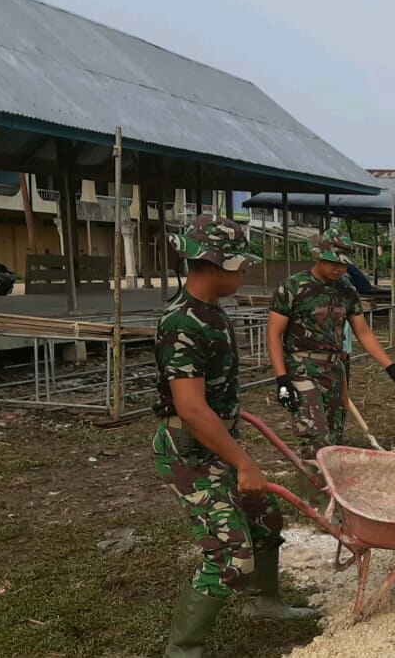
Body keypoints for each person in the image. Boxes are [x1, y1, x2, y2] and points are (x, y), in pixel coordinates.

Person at [152, 216, 316, 658]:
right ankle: (183, 651)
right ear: (210, 265)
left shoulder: (212, 312)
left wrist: (232, 425)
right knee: (230, 556)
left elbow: (209, 392)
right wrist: (244, 462)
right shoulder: (182, 323)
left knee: (265, 520)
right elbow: (189, 409)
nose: (244, 272)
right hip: (190, 452)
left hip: (216, 439)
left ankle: (265, 604)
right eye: (239, 265)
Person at [267, 229, 395, 462]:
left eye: (344, 265)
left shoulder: (346, 290)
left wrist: (391, 368)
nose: (340, 269)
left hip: (334, 371)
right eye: (334, 263)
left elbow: (362, 331)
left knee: (333, 439)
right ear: (318, 256)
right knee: (316, 435)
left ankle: (329, 492)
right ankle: (313, 496)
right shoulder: (293, 287)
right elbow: (273, 333)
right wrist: (281, 379)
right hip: (302, 368)